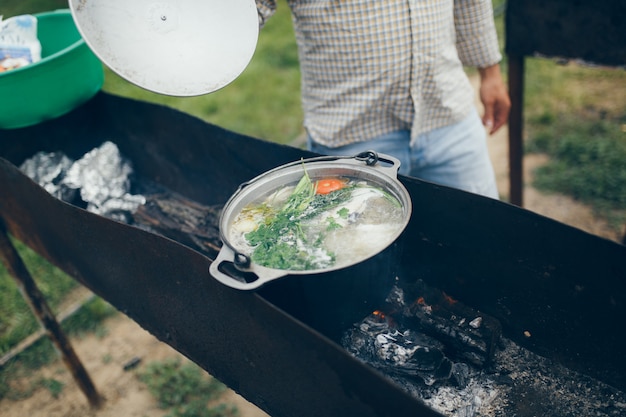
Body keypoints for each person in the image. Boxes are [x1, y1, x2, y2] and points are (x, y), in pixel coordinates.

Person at [255, 0, 511, 199]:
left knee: (481, 242)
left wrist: (490, 71)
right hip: (351, 137)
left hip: (448, 115)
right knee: (360, 260)